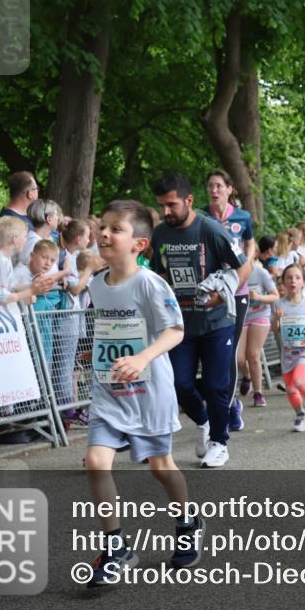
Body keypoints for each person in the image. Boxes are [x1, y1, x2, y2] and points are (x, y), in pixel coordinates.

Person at [81, 199, 202, 585]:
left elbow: (175, 330)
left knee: (161, 468)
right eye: (103, 226)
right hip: (109, 391)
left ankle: (188, 521)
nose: (104, 233)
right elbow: (109, 328)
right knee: (96, 462)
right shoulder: (96, 285)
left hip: (148, 393)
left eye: (116, 229)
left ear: (139, 244)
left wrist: (143, 357)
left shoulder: (150, 283)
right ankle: (116, 547)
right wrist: (96, 350)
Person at [148, 173, 245, 468]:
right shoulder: (161, 234)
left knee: (217, 385)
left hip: (216, 322)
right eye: (162, 206)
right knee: (180, 383)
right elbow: (158, 273)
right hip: (181, 325)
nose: (166, 212)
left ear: (189, 201)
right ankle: (202, 421)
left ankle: (219, 442)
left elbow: (240, 267)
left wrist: (223, 293)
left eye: (171, 205)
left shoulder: (212, 230)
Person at [204, 169, 256, 432]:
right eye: (210, 186)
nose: (214, 191)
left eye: (218, 186)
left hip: (238, 292)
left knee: (231, 353)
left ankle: (229, 405)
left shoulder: (242, 216)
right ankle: (229, 403)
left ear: (229, 189)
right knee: (214, 354)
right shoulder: (201, 217)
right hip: (212, 292)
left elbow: (251, 245)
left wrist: (243, 268)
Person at [272, 264, 305, 432]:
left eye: (297, 277)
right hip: (288, 352)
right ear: (283, 282)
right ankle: (301, 415)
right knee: (290, 387)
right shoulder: (279, 305)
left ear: (303, 282)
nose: (293, 281)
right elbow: (275, 328)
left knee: (299, 380)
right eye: (289, 278)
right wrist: (277, 319)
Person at [237, 254, 279, 408]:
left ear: (253, 255)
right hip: (240, 317)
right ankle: (247, 375)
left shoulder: (261, 273)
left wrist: (259, 297)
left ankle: (258, 393)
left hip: (259, 314)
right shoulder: (232, 272)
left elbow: (275, 296)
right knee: (239, 359)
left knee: (253, 355)